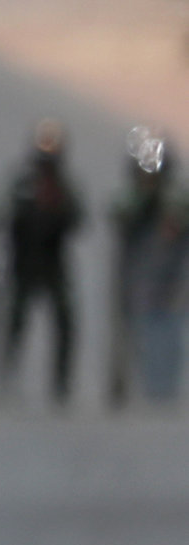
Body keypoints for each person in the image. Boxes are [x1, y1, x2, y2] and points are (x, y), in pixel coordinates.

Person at [3, 120, 83, 405]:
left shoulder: (64, 186)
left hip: (53, 263)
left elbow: (77, 220)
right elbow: (10, 220)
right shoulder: (23, 183)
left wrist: (56, 210)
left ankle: (61, 382)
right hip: (25, 263)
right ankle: (6, 380)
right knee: (14, 322)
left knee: (64, 320)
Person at [110, 130, 188, 407]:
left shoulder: (177, 200)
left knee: (170, 334)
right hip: (138, 279)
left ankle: (165, 385)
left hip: (172, 277)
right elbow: (118, 216)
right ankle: (137, 385)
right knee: (137, 334)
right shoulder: (130, 199)